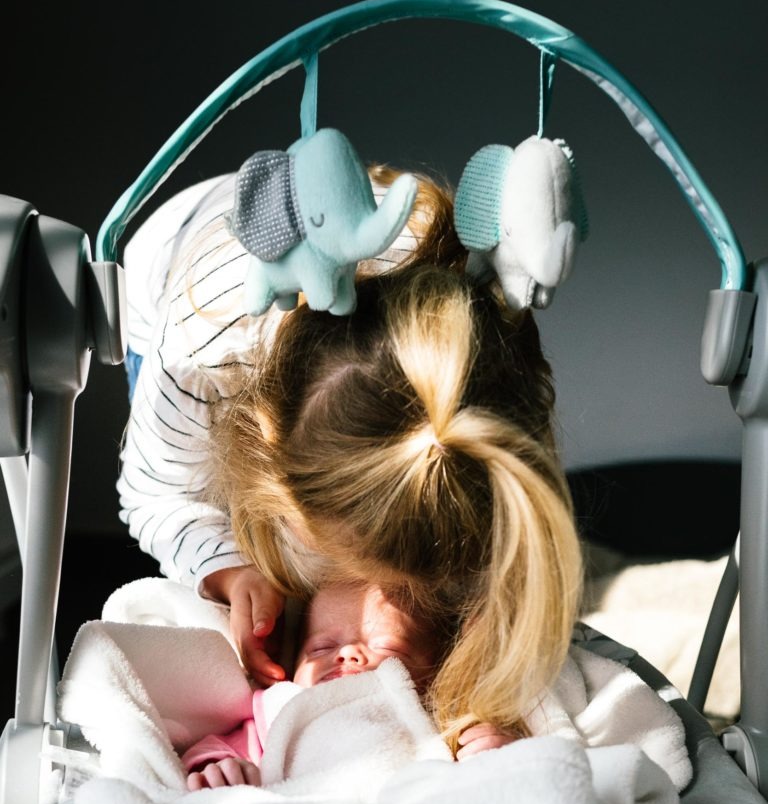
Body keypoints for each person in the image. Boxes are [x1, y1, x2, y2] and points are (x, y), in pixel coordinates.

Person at [118, 160, 583, 759]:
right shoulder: (199, 352)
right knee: (192, 494)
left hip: (399, 269)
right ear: (267, 452)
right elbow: (154, 496)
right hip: (181, 256)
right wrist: (230, 569)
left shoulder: (493, 377)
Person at [183, 579, 520, 791]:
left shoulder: (442, 720)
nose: (347, 653)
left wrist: (495, 753)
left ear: (435, 674)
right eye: (321, 648)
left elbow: (493, 786)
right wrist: (217, 768)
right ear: (293, 664)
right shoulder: (281, 713)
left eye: (387, 649)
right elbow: (211, 748)